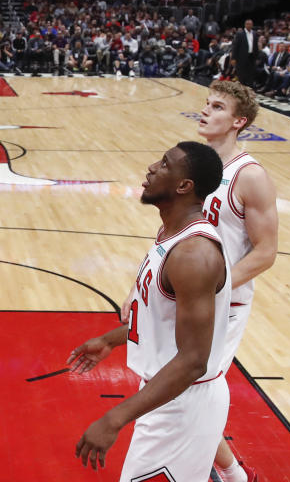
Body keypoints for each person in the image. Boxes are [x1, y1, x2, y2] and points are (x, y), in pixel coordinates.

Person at [70, 141, 229, 481]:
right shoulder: (169, 235)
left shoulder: (193, 256)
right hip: (169, 395)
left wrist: (114, 418)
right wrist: (111, 339)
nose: (152, 167)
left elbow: (193, 360)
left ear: (184, 186)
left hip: (184, 403)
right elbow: (158, 316)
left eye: (166, 164)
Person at [198, 81, 277, 482]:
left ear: (238, 121)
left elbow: (265, 252)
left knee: (191, 389)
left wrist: (216, 287)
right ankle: (225, 471)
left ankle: (230, 474)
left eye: (216, 106)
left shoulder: (250, 176)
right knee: (172, 387)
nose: (205, 111)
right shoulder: (196, 165)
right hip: (185, 298)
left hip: (223, 304)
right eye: (206, 104)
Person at [231, 19, 259, 88]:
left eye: (250, 24)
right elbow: (235, 46)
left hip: (251, 56)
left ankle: (249, 90)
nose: (249, 25)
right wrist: (233, 58)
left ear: (252, 25)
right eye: (247, 24)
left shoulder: (255, 34)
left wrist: (257, 57)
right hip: (241, 57)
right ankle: (241, 90)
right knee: (241, 75)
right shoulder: (240, 34)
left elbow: (256, 47)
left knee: (250, 75)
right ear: (245, 25)